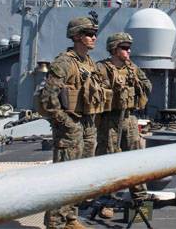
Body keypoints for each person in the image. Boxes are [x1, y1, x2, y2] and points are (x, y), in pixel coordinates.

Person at [38, 16, 104, 229]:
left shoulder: (89, 63)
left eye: (94, 34)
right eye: (88, 34)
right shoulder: (64, 62)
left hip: (87, 126)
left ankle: (70, 218)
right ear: (76, 36)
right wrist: (66, 123)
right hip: (70, 128)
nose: (93, 37)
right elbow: (48, 98)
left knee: (80, 177)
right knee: (63, 178)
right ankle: (55, 223)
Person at [95, 32, 152, 218]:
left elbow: (147, 86)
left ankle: (141, 200)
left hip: (129, 117)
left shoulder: (133, 69)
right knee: (109, 159)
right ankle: (107, 201)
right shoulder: (101, 69)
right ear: (114, 49)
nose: (128, 51)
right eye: (124, 47)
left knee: (135, 159)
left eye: (129, 48)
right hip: (109, 120)